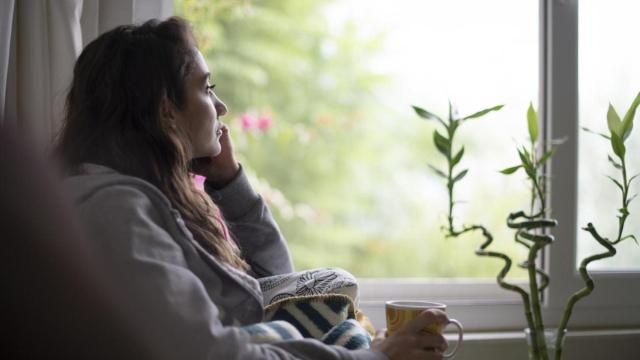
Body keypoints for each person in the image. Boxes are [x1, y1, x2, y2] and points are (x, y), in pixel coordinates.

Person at [55, 16, 451, 360]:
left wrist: (229, 184)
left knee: (330, 287)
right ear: (165, 107)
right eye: (206, 87)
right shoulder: (117, 211)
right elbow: (209, 352)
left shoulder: (139, 201)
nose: (221, 106)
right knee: (336, 303)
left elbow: (267, 296)